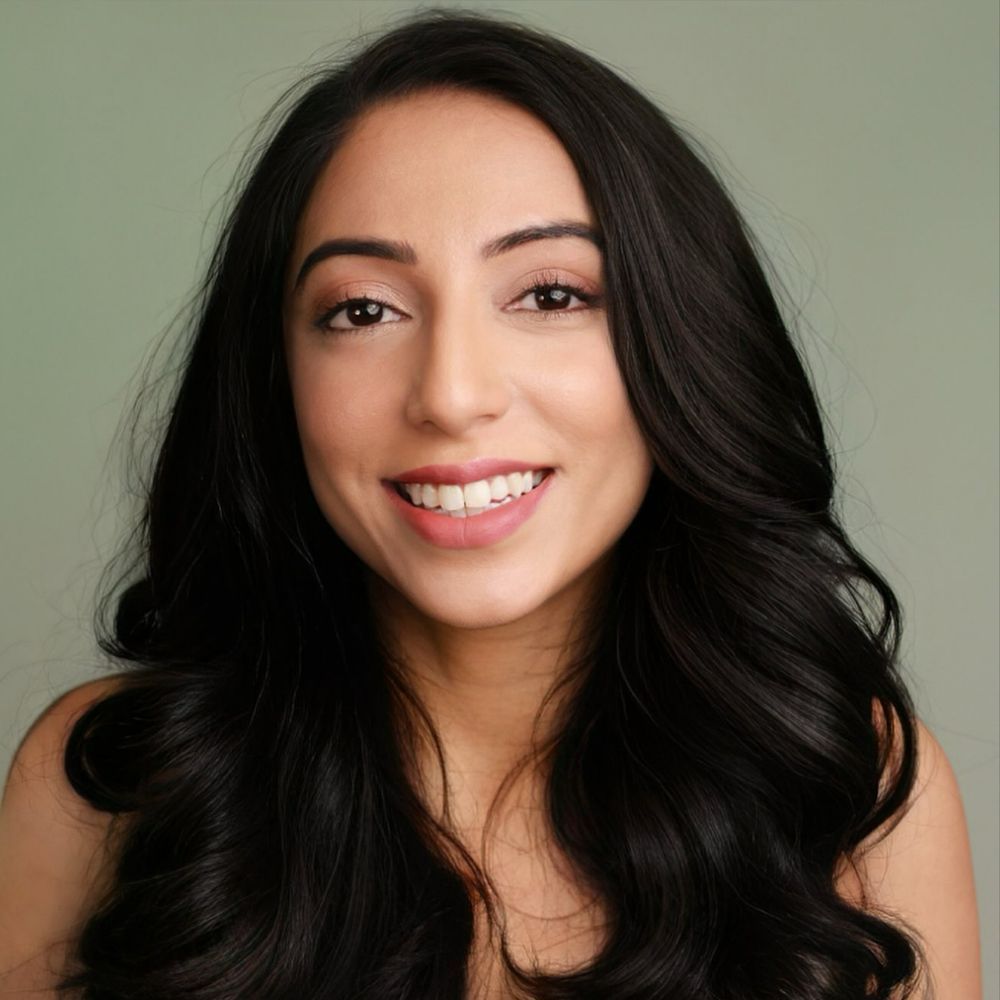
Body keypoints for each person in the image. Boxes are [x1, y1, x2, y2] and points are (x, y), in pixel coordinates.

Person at [0, 10, 980, 1000]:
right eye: (363, 310)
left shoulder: (851, 787)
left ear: (683, 343)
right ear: (274, 378)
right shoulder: (110, 786)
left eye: (550, 295)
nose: (452, 393)